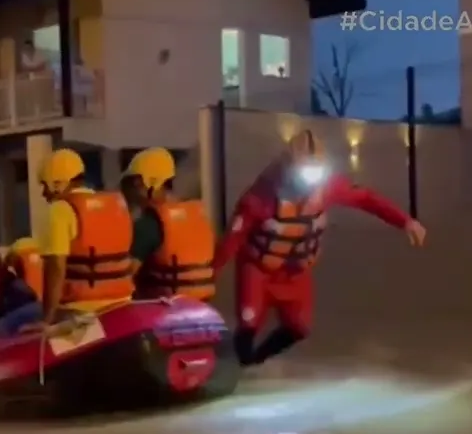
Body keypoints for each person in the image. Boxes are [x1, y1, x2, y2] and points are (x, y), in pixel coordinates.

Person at [213, 129, 428, 367]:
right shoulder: (259, 198)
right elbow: (233, 238)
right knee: (248, 325)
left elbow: (366, 198)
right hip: (258, 269)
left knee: (299, 328)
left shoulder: (329, 187)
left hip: (295, 273)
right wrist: (210, 274)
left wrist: (405, 221)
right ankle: (235, 365)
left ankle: (256, 360)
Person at [38, 148, 135, 324]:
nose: (43, 193)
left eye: (45, 185)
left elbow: (56, 268)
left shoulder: (60, 210)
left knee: (7, 324)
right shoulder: (117, 207)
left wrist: (47, 320)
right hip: (122, 304)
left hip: (80, 310)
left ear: (58, 183)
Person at [120, 147, 216, 301]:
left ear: (149, 182)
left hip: (163, 309)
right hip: (201, 307)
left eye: (135, 184)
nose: (132, 192)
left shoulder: (149, 224)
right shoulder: (197, 215)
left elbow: (125, 278)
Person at [0, 238, 44, 336]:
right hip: (45, 307)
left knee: (0, 325)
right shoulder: (44, 253)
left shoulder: (15, 284)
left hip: (31, 306)